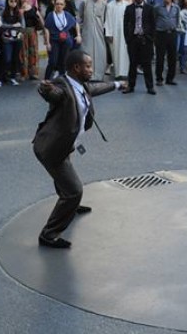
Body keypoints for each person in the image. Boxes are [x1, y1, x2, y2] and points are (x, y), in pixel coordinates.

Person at [33, 50, 124, 249]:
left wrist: (117, 85)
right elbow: (53, 94)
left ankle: (69, 207)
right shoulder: (62, 86)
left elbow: (95, 88)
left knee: (65, 182)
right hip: (52, 149)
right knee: (74, 191)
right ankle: (48, 235)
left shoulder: (80, 85)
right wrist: (45, 90)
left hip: (65, 144)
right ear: (76, 68)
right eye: (88, 66)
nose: (91, 70)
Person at [123, 0, 157, 95]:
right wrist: (127, 39)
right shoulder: (128, 8)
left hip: (146, 40)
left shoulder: (150, 8)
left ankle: (150, 87)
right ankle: (131, 86)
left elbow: (153, 25)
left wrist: (150, 38)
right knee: (132, 64)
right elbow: (125, 24)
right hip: (133, 40)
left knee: (147, 64)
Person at [45, 0, 80, 80]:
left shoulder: (67, 15)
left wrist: (78, 35)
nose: (59, 6)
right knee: (53, 61)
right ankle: (46, 79)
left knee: (64, 61)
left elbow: (76, 24)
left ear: (64, 5)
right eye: (57, 4)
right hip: (54, 40)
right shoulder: (50, 15)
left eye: (61, 4)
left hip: (66, 41)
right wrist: (47, 42)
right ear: (54, 5)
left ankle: (62, 79)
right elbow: (46, 29)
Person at [79, 0, 108, 80]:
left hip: (100, 33)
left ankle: (98, 76)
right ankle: (86, 76)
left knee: (101, 54)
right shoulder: (85, 2)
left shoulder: (104, 3)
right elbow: (80, 18)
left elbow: (105, 20)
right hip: (87, 33)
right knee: (86, 54)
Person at [154, 0, 180, 86]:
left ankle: (170, 78)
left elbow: (177, 20)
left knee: (172, 57)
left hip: (172, 34)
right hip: (161, 34)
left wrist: (174, 28)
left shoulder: (176, 7)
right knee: (160, 57)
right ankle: (159, 78)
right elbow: (154, 20)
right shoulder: (157, 7)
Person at [104, 0, 130, 80]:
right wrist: (109, 34)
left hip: (125, 33)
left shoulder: (127, 5)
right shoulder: (110, 5)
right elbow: (108, 20)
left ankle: (125, 73)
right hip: (113, 33)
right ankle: (118, 74)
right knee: (115, 53)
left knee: (125, 53)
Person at [0, 0, 25, 87]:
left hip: (17, 38)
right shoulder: (3, 12)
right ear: (7, 2)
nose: (13, 3)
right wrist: (13, 26)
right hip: (7, 39)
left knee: (15, 58)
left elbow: (22, 25)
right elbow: (1, 25)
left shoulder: (19, 13)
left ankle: (12, 77)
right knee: (7, 58)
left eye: (15, 1)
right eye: (11, 1)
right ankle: (0, 77)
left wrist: (17, 27)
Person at [20, 0, 44, 81]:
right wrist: (21, 13)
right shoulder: (18, 9)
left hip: (32, 31)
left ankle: (33, 73)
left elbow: (40, 19)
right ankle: (24, 73)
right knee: (23, 53)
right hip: (22, 32)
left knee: (33, 52)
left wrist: (44, 29)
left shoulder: (33, 8)